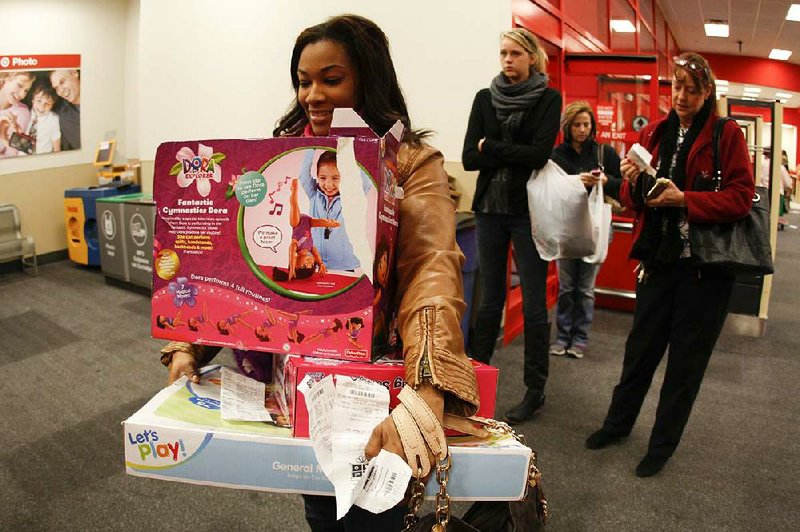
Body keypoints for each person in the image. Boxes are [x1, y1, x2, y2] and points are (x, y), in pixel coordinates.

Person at [158, 14, 478, 530]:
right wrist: (188, 344)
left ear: (368, 80)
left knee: (378, 509)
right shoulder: (283, 157)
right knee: (319, 504)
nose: (313, 95)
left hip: (376, 381)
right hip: (300, 378)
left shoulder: (409, 162)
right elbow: (232, 263)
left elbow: (431, 271)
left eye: (332, 79)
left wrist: (427, 386)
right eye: (303, 81)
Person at [585, 53, 754, 477]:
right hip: (659, 264)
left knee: (685, 364)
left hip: (704, 271)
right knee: (639, 353)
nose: (681, 96)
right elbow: (632, 197)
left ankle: (661, 445)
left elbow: (740, 197)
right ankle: (617, 425)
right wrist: (633, 179)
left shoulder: (725, 134)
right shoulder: (659, 132)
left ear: (707, 92)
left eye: (690, 89)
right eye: (676, 87)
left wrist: (686, 200)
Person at [462, 28, 561, 423]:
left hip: (527, 213)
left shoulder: (548, 98)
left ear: (532, 58)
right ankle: (474, 377)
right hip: (489, 209)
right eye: (503, 52)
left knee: (535, 305)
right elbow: (470, 157)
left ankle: (535, 390)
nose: (507, 60)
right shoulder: (485, 98)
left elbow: (538, 155)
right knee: (489, 301)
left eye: (515, 53)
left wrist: (493, 147)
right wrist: (495, 151)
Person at [549, 101, 622, 359]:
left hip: (596, 225)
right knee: (567, 287)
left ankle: (579, 338)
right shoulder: (557, 154)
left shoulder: (604, 153)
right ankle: (562, 336)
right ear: (567, 127)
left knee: (586, 288)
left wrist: (604, 180)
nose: (582, 129)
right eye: (577, 125)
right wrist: (575, 181)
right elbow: (550, 189)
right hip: (568, 225)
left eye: (586, 124)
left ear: (592, 127)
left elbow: (622, 186)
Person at [298, 148, 371, 270]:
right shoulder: (314, 194)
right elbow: (303, 174)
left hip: (344, 264)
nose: (329, 185)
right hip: (316, 262)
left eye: (335, 178)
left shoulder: (353, 197)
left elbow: (366, 178)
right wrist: (311, 146)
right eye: (322, 178)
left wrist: (355, 147)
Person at [0, 71, 34, 158]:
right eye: (20, 85)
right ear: (4, 78)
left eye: (26, 90)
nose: (22, 95)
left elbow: (13, 154)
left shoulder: (22, 112)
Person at [26, 80, 62, 154]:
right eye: (39, 101)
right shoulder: (26, 113)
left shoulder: (53, 119)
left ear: (52, 105)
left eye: (48, 103)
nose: (42, 106)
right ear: (32, 99)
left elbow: (56, 148)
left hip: (42, 158)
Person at [49, 69, 81, 150]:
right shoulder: (66, 117)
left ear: (74, 73)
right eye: (56, 88)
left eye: (62, 82)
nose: (61, 91)